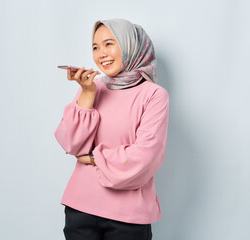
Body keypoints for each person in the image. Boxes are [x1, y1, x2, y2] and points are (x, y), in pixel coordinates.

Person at [54, 18, 169, 240]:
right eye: (95, 47)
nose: (101, 54)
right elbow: (70, 143)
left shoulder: (154, 95)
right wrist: (87, 94)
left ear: (130, 45)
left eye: (109, 43)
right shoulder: (92, 87)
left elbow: (145, 157)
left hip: (129, 217)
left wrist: (93, 156)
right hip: (80, 207)